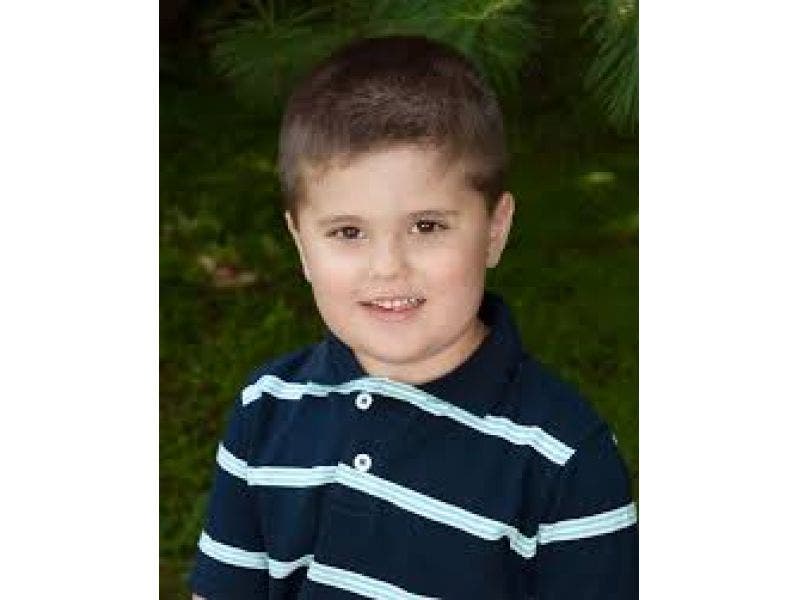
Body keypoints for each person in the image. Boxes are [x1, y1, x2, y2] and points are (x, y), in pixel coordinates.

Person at [189, 35, 637, 599]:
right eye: (347, 232)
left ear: (494, 231)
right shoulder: (267, 410)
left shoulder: (564, 457)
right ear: (301, 244)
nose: (388, 267)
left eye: (427, 226)